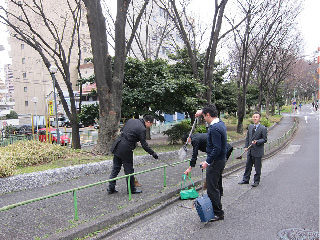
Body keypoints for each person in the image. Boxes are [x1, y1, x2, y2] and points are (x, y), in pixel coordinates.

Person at [107, 115, 159, 194]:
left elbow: (123, 130)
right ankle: (131, 189)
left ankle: (111, 188)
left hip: (118, 144)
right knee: (129, 170)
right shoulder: (142, 129)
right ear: (148, 122)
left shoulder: (131, 120)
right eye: (151, 124)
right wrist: (153, 153)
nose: (150, 126)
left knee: (116, 168)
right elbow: (144, 145)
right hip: (126, 148)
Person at [196, 104, 227, 222]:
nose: (204, 118)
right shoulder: (220, 123)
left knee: (212, 187)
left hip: (215, 161)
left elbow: (217, 148)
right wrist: (201, 111)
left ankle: (218, 213)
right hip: (221, 160)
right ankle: (217, 209)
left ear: (208, 115)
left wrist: (207, 162)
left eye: (204, 116)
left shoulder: (214, 128)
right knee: (217, 185)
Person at [238, 112, 267, 187]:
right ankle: (245, 179)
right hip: (250, 150)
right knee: (248, 166)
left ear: (259, 118)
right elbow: (247, 138)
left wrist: (257, 141)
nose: (255, 118)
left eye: (256, 117)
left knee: (257, 167)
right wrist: (246, 146)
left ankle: (256, 181)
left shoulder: (263, 128)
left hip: (258, 151)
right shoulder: (250, 127)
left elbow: (264, 139)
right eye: (253, 117)